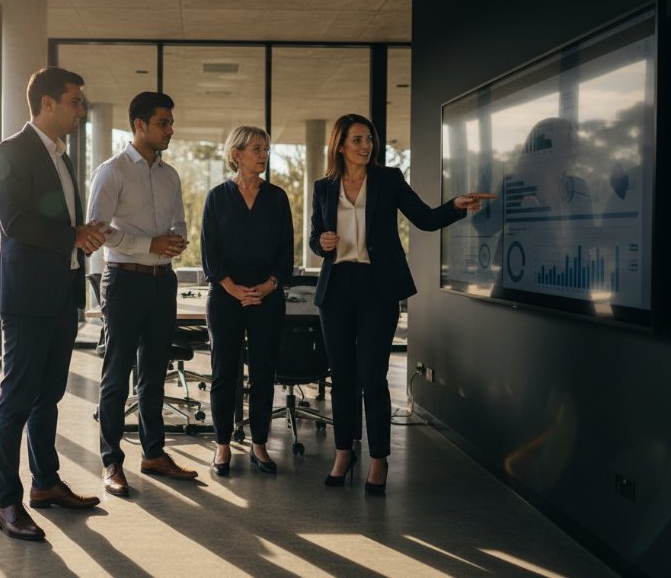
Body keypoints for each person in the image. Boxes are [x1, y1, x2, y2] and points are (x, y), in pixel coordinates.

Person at [309, 114, 494, 494]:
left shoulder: (388, 179)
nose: (366, 146)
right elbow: (316, 236)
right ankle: (343, 452)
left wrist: (456, 206)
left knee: (372, 378)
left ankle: (379, 459)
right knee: (342, 377)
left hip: (378, 288)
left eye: (369, 139)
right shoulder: (323, 187)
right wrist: (320, 244)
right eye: (358, 140)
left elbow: (424, 218)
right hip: (337, 287)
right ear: (340, 144)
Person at [0, 67, 107, 541]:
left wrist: (85, 236)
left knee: (48, 397)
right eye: (75, 101)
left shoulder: (65, 157)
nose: (81, 110)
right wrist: (72, 235)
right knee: (15, 401)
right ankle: (6, 503)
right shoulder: (11, 152)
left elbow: (60, 224)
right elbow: (15, 222)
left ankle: (45, 484)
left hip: (62, 293)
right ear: (48, 103)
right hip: (25, 296)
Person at [88, 91, 198, 496]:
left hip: (162, 282)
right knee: (117, 375)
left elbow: (179, 222)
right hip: (124, 280)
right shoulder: (112, 171)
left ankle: (153, 454)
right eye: (163, 123)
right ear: (139, 125)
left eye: (170, 122)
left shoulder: (170, 175)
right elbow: (97, 229)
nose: (170, 129)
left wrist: (175, 241)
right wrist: (147, 244)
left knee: (154, 373)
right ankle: (111, 463)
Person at [200, 125, 293, 476]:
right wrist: (233, 288)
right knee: (224, 373)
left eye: (266, 148)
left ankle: (259, 445)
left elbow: (286, 252)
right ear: (236, 154)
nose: (264, 154)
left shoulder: (277, 197)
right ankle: (222, 445)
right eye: (257, 148)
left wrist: (268, 286)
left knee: (263, 372)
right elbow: (209, 253)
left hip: (267, 298)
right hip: (226, 297)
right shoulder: (217, 197)